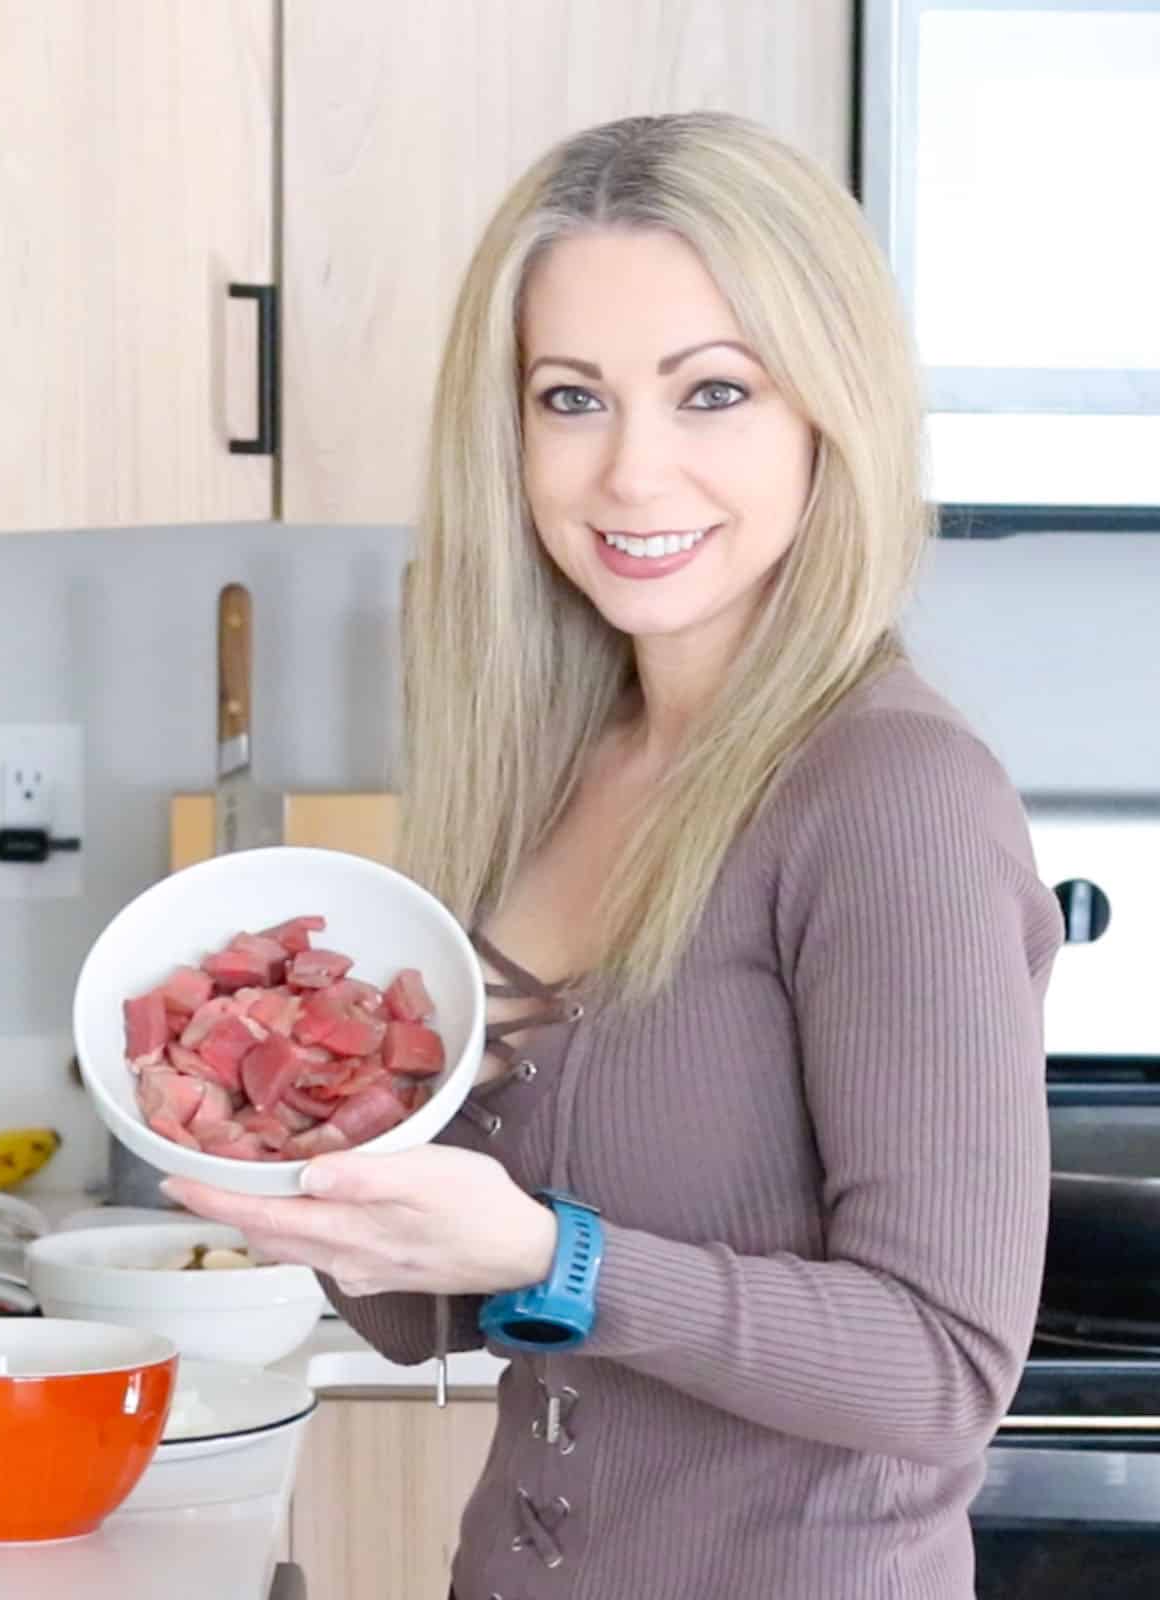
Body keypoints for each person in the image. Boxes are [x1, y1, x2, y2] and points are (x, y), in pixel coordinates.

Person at [163, 112, 1063, 1600]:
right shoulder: (558, 770)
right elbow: (428, 1315)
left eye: (713, 393)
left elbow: (939, 1367)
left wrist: (551, 1254)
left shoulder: (889, 796)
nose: (633, 475)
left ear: (826, 412)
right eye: (571, 398)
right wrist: (294, 1136)